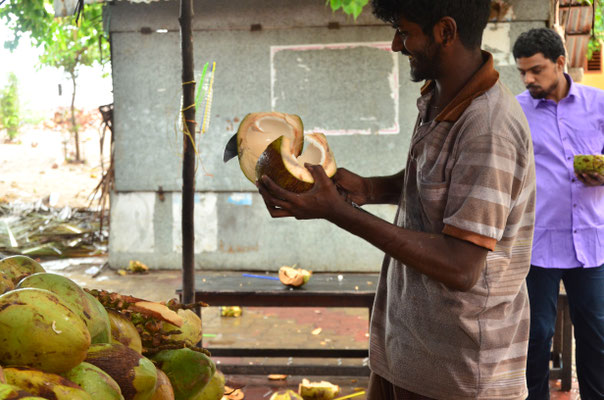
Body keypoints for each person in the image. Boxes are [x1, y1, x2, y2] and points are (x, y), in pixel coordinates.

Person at [257, 0, 536, 398]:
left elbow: (461, 266)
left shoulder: (487, 127)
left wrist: (339, 213)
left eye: (405, 33)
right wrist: (371, 188)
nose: (395, 45)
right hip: (406, 349)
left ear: (445, 31)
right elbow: (441, 180)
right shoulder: (440, 95)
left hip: (459, 373)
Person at [513, 27, 604, 400]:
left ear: (561, 62)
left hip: (592, 243)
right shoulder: (515, 111)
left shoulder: (598, 104)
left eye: (536, 69)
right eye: (522, 72)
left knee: (598, 337)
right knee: (535, 337)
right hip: (537, 244)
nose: (529, 78)